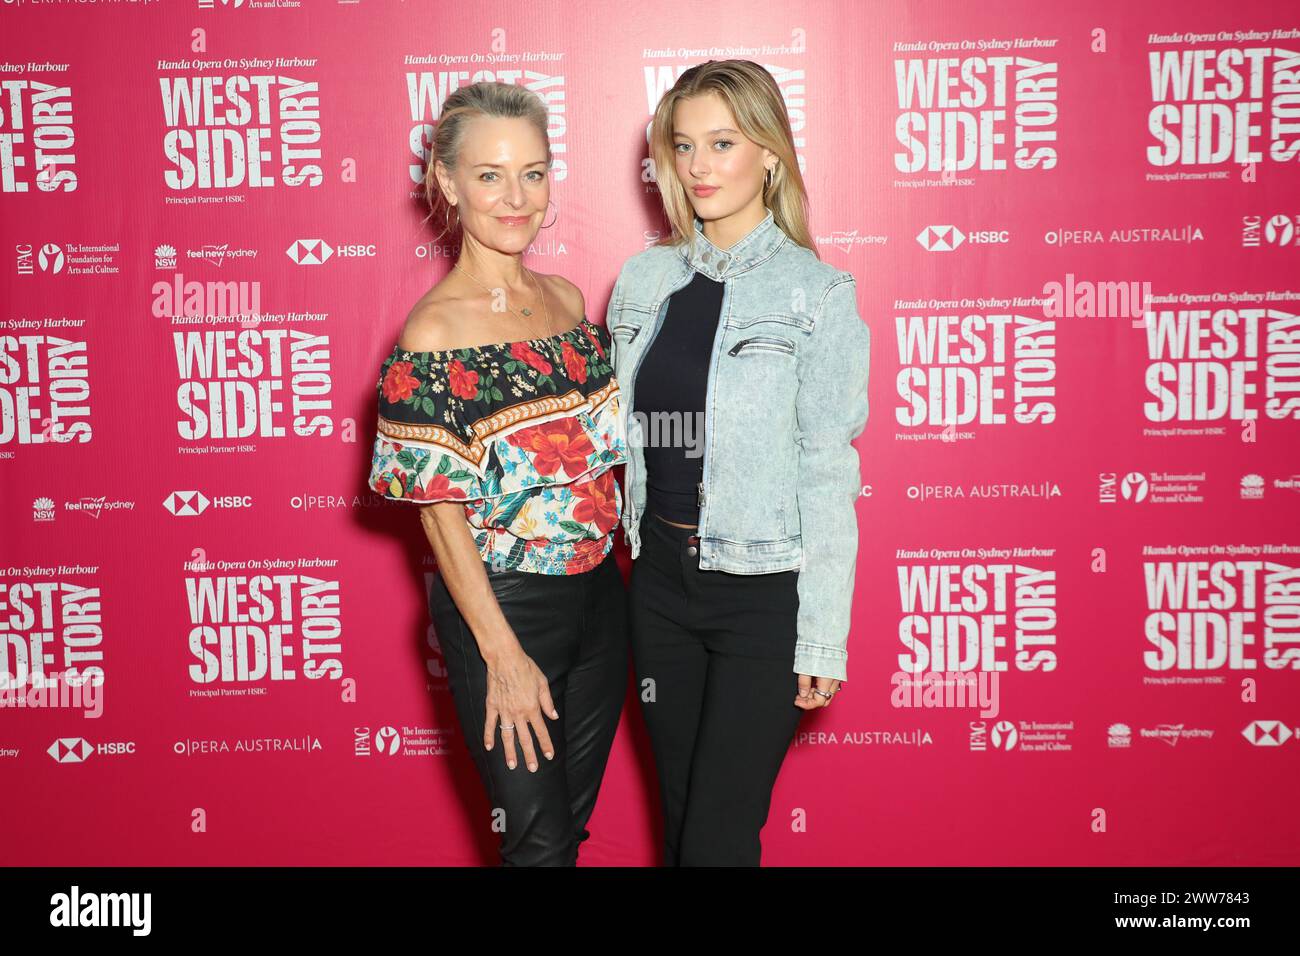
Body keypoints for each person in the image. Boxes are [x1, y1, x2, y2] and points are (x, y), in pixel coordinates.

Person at [607, 60, 872, 866]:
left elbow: (828, 469)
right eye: (682, 146)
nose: (697, 167)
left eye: (722, 143)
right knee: (684, 823)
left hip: (762, 596)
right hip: (658, 588)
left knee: (717, 840)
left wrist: (823, 634)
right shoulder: (643, 281)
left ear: (770, 154)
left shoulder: (818, 295)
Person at [369, 81, 628, 866]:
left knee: (567, 834)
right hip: (506, 608)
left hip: (600, 602)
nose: (515, 198)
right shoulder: (434, 332)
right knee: (537, 845)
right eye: (489, 175)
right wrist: (502, 656)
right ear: (447, 183)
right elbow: (440, 515)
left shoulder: (567, 303)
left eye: (533, 172)